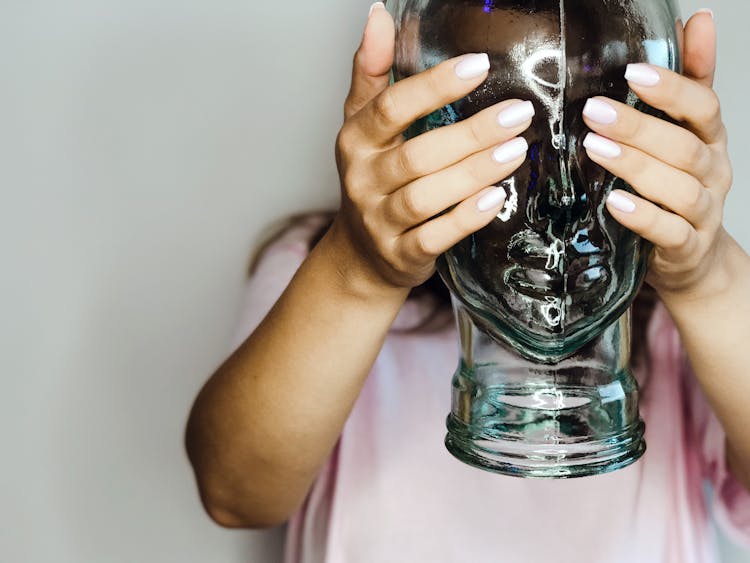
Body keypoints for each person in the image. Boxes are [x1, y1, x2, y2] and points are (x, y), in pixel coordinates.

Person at [185, 4, 750, 562]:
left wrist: (710, 279)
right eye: (498, 127)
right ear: (416, 125)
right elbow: (236, 495)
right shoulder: (319, 270)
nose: (557, 198)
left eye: (588, 125)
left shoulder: (678, 324)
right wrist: (357, 273)